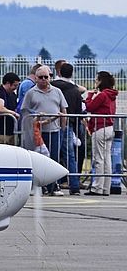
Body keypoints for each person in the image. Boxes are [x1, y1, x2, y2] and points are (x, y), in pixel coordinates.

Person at [20, 65, 67, 195]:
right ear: (36, 78)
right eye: (41, 77)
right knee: (38, 159)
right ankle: (39, 186)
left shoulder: (57, 91)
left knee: (54, 158)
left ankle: (54, 186)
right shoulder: (31, 93)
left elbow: (63, 109)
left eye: (46, 77)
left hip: (55, 130)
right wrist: (34, 117)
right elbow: (24, 111)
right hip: (37, 132)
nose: (44, 79)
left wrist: (63, 126)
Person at [52, 62, 85, 194]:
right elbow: (77, 111)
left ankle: (53, 184)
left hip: (52, 122)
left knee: (52, 154)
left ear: (59, 72)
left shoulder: (52, 86)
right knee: (70, 156)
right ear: (72, 73)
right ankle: (75, 185)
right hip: (68, 124)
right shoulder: (74, 90)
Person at [84, 71, 118, 196]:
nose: (95, 82)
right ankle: (105, 187)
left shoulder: (102, 95)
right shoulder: (111, 95)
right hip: (109, 128)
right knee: (107, 158)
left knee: (99, 158)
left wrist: (89, 96)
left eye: (96, 80)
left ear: (101, 81)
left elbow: (90, 107)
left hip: (100, 128)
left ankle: (97, 187)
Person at [0, 73, 21, 146]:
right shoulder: (0, 92)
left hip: (10, 131)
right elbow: (0, 108)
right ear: (8, 83)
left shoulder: (12, 95)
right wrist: (14, 113)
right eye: (15, 85)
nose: (16, 88)